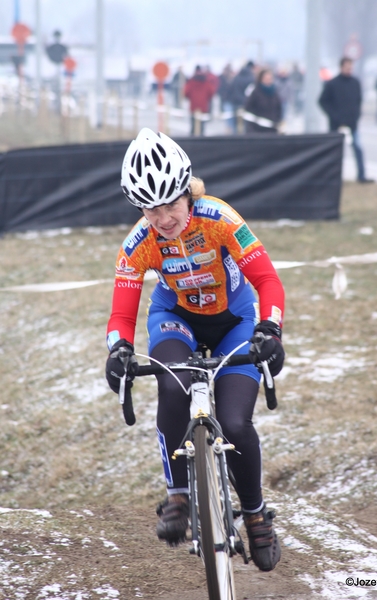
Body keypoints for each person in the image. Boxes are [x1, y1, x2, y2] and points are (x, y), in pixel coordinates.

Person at [105, 127, 285, 572]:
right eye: (150, 208)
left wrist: (271, 329)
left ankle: (257, 513)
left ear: (188, 191)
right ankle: (179, 496)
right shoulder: (138, 243)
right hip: (176, 319)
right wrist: (118, 349)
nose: (163, 218)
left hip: (235, 320)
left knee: (237, 424)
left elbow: (267, 281)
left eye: (170, 204)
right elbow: (122, 314)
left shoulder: (219, 218)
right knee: (172, 384)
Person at [319, 57, 374, 184]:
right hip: (336, 124)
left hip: (352, 124)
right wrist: (334, 115)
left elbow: (359, 101)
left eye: (351, 67)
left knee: (358, 149)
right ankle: (332, 177)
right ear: (341, 67)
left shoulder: (355, 83)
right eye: (347, 67)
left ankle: (361, 175)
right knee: (334, 152)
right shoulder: (332, 83)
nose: (349, 69)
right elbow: (323, 101)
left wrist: (357, 114)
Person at [244, 69, 282, 133]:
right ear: (261, 79)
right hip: (257, 130)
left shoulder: (274, 92)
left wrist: (277, 121)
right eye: (266, 78)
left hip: (272, 129)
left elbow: (279, 108)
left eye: (270, 79)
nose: (268, 81)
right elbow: (248, 108)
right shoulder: (255, 92)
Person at [183, 66, 215, 136]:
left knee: (193, 127)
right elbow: (211, 93)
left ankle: (192, 143)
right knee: (202, 127)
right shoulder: (206, 82)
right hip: (203, 107)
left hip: (193, 107)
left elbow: (185, 93)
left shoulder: (191, 82)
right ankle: (201, 143)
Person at [228, 60, 256, 133]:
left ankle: (235, 139)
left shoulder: (236, 78)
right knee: (246, 123)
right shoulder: (252, 79)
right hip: (247, 104)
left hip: (236, 103)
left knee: (236, 123)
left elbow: (231, 89)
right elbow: (251, 93)